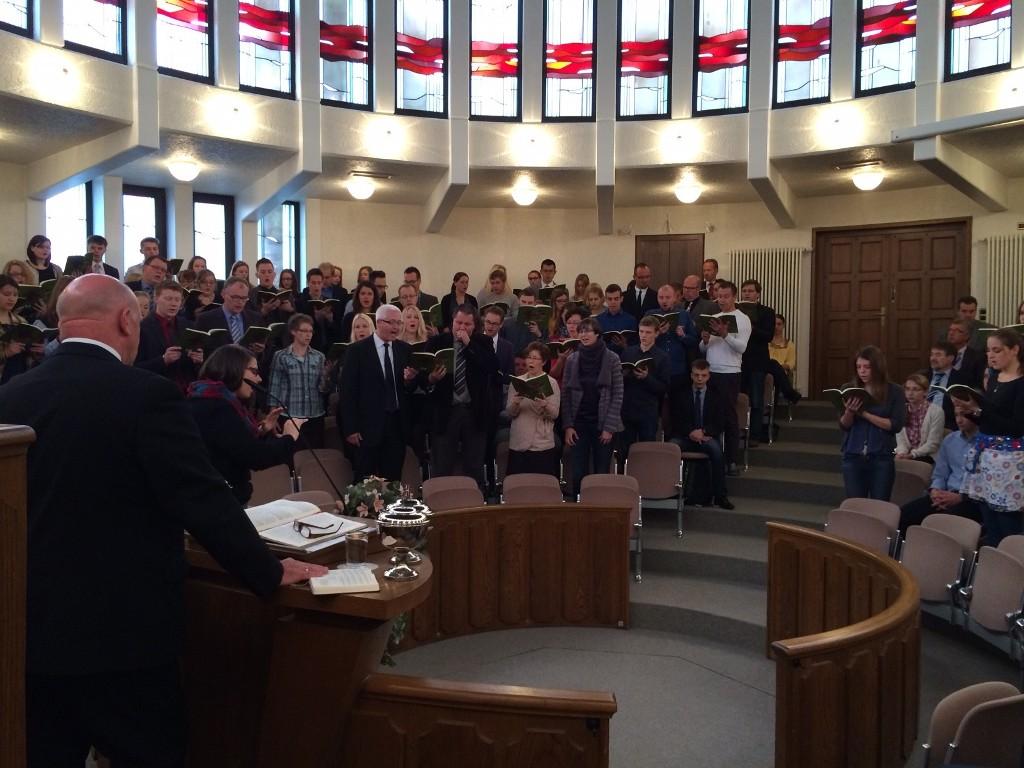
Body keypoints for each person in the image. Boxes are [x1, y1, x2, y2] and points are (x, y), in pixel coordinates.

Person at [0, 274, 325, 766]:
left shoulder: (12, 395)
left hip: (33, 634)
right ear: (127, 320)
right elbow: (201, 496)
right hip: (125, 636)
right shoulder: (146, 394)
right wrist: (267, 569)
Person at [189, 344, 303, 505]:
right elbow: (256, 457)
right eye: (254, 371)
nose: (259, 379)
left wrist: (262, 431)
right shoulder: (218, 407)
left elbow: (233, 445)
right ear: (234, 369)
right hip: (221, 502)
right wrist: (289, 437)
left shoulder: (208, 399)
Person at [955, 328, 1024, 545]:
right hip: (986, 459)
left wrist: (979, 412)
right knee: (989, 520)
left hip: (1010, 462)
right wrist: (969, 411)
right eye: (988, 351)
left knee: (1008, 525)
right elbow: (988, 421)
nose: (990, 355)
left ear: (1014, 350)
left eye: (997, 350)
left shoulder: (1021, 382)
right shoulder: (994, 377)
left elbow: (1016, 427)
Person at [340, 303, 419, 480]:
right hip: (367, 427)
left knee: (393, 479)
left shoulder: (404, 349)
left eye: (399, 323)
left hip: (396, 425)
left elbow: (409, 389)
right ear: (379, 323)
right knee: (365, 481)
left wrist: (409, 380)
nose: (396, 327)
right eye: (392, 323)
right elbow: (348, 392)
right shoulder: (357, 350)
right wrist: (351, 428)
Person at [425, 304, 500, 488]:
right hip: (446, 410)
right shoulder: (437, 342)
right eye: (458, 323)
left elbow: (491, 366)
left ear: (475, 326)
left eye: (467, 324)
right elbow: (423, 375)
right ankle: (441, 500)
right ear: (452, 322)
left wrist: (469, 344)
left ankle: (474, 500)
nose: (462, 327)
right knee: (442, 465)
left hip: (473, 411)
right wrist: (431, 378)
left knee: (474, 466)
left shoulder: (483, 342)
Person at [561, 317, 623, 497]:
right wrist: (568, 425)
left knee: (601, 471)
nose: (583, 335)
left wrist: (609, 428)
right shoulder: (572, 359)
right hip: (579, 423)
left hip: (603, 424)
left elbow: (618, 394)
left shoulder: (612, 358)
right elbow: (566, 394)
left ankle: (599, 506)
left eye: (587, 331)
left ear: (597, 334)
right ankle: (579, 506)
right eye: (581, 331)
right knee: (578, 471)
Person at [838, 345, 906, 501]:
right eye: (858, 367)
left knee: (879, 504)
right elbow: (844, 425)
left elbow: (895, 425)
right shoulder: (849, 388)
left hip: (881, 456)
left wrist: (864, 414)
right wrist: (849, 412)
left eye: (867, 367)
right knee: (855, 504)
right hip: (853, 455)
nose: (862, 371)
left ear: (877, 367)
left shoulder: (894, 391)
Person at [898, 411, 982, 534]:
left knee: (940, 524)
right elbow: (940, 474)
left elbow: (984, 484)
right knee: (903, 515)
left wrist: (961, 497)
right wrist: (935, 491)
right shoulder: (950, 440)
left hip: (971, 500)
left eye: (964, 416)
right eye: (956, 415)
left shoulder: (988, 444)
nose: (959, 420)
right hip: (945, 493)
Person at [699, 281, 751, 474]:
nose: (721, 300)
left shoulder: (742, 319)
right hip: (711, 370)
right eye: (719, 296)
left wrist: (725, 334)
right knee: (711, 414)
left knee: (729, 416)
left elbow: (742, 348)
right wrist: (705, 340)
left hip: (729, 372)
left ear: (734, 297)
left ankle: (731, 460)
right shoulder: (714, 317)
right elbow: (704, 348)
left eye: (726, 296)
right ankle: (712, 457)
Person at [671, 359, 733, 509]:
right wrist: (691, 432)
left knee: (717, 451)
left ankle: (720, 496)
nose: (700, 379)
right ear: (691, 375)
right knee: (671, 448)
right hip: (686, 436)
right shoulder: (681, 394)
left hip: (707, 436)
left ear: (708, 376)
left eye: (703, 375)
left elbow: (720, 421)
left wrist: (703, 431)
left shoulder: (717, 395)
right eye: (696, 375)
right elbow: (676, 419)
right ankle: (670, 492)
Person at [268, 313, 328, 448]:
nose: (308, 335)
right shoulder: (281, 356)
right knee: (292, 453)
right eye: (304, 331)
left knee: (314, 454)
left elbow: (323, 389)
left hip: (314, 414)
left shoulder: (319, 357)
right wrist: (273, 415)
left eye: (310, 331)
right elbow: (274, 386)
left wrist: (327, 375)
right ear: (293, 331)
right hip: (289, 414)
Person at [135, 280, 204, 391]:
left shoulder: (188, 325)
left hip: (189, 389)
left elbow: (195, 367)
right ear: (156, 299)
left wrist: (198, 360)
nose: (174, 304)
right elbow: (135, 367)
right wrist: (163, 360)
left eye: (177, 300)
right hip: (157, 389)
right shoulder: (142, 328)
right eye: (168, 299)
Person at [506, 341, 561, 478]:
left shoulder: (551, 383)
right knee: (518, 484)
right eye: (529, 357)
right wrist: (516, 402)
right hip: (519, 440)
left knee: (541, 485)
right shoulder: (517, 382)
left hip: (541, 442)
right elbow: (510, 413)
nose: (530, 361)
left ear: (543, 362)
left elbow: (554, 414)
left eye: (535, 358)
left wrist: (545, 404)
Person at [619, 316, 670, 460]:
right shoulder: (628, 352)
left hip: (648, 411)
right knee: (624, 450)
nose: (643, 335)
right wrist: (624, 375)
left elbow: (664, 388)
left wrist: (647, 378)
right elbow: (618, 380)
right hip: (627, 409)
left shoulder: (662, 357)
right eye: (641, 331)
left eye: (648, 332)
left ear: (656, 333)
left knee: (646, 452)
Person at [738, 280, 776, 445]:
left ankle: (754, 435)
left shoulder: (767, 312)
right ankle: (738, 433)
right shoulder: (736, 311)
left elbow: (768, 336)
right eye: (744, 291)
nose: (747, 294)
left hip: (757, 360)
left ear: (758, 294)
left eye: (750, 291)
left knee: (756, 399)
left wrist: (750, 327)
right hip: (739, 360)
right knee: (739, 398)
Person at [193, 277, 267, 358]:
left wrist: (260, 350)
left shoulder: (255, 318)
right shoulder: (205, 319)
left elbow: (263, 353)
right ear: (223, 294)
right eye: (235, 297)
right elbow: (197, 351)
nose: (240, 302)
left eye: (244, 298)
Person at [0, 274, 45, 383]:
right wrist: (5, 352)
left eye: (15, 295)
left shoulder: (21, 321)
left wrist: (36, 351)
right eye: (6, 294)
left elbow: (28, 354)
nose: (11, 298)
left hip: (20, 375)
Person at [895, 373, 945, 463]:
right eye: (907, 389)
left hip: (928, 456)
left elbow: (933, 444)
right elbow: (901, 441)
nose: (910, 393)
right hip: (908, 455)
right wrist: (902, 453)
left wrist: (912, 455)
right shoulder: (900, 410)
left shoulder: (936, 411)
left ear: (925, 392)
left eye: (915, 389)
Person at [767, 314, 802, 405]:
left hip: (782, 372)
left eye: (779, 324)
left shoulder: (790, 344)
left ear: (783, 326)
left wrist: (779, 367)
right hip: (766, 370)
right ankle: (789, 393)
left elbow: (791, 363)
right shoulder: (765, 341)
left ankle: (774, 407)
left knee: (776, 369)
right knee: (773, 363)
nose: (776, 327)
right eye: (774, 324)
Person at [500, 286, 547, 353]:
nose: (526, 305)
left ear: (535, 303)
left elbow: (545, 350)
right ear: (518, 301)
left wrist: (538, 334)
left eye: (530, 303)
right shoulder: (506, 324)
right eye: (524, 302)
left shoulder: (541, 325)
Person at [947, 318, 985, 386]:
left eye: (958, 331)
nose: (951, 333)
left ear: (967, 336)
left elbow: (979, 383)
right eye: (950, 330)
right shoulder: (941, 354)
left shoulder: (977, 357)